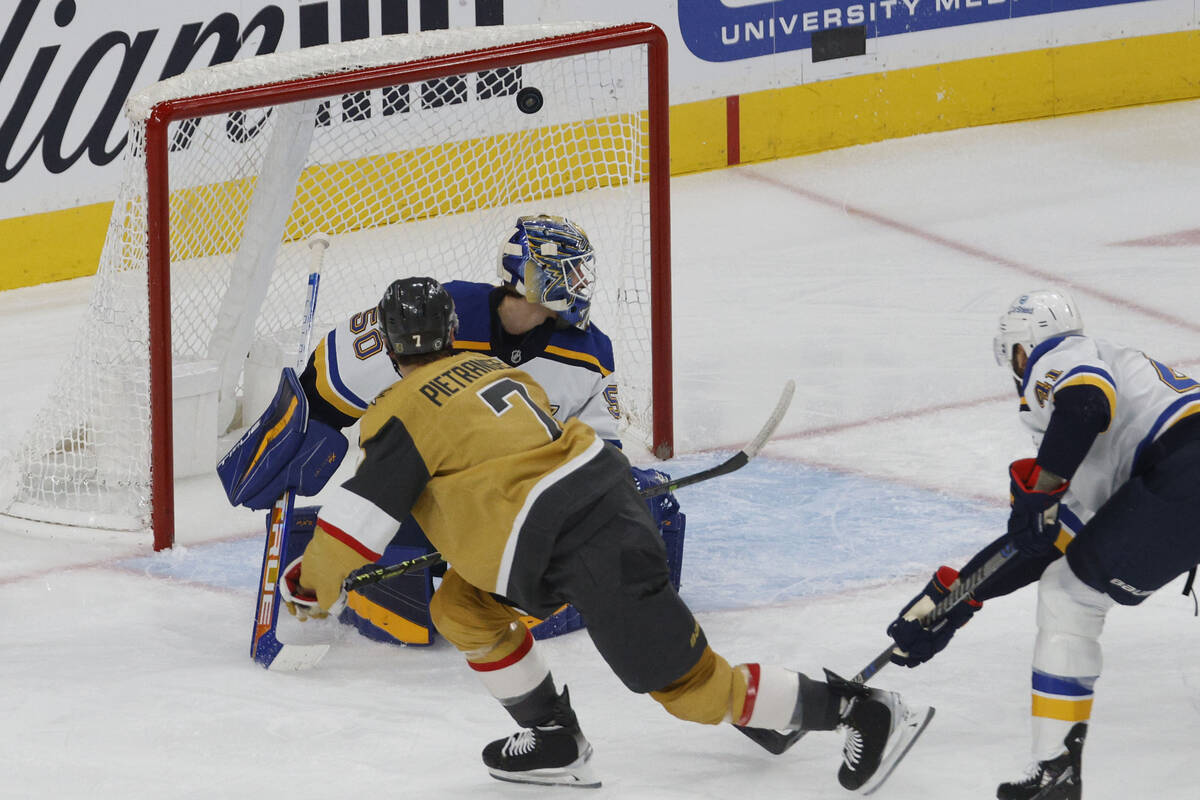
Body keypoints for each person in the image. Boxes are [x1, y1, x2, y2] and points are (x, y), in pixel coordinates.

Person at [278, 276, 931, 792]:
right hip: (580, 522)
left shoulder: (398, 409)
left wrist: (310, 584)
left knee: (692, 691)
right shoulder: (498, 373)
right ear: (452, 331)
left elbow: (360, 519)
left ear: (389, 347)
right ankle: (554, 738)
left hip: (582, 542)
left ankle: (862, 711)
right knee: (460, 605)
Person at [225, 214, 684, 645]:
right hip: (423, 491)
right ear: (530, 275)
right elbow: (331, 383)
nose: (581, 284)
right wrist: (299, 435)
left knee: (633, 492)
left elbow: (600, 447)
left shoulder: (590, 352)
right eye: (568, 272)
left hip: (515, 504)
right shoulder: (438, 314)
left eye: (581, 273)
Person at [884, 289, 1200, 800]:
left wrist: (1044, 485)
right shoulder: (1122, 398)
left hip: (1187, 474)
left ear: (1019, 350)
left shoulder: (1061, 355)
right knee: (1069, 573)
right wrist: (958, 599)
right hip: (1179, 474)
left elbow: (1084, 401)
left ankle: (1055, 772)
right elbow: (1054, 538)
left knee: (1067, 595)